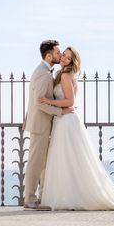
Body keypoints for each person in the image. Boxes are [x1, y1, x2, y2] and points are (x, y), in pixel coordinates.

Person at [39, 47, 114, 211]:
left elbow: (70, 101)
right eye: (63, 55)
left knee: (70, 159)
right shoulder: (60, 75)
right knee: (66, 160)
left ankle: (70, 197)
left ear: (72, 62)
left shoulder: (66, 75)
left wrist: (49, 102)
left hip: (67, 121)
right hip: (63, 120)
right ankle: (69, 194)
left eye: (68, 58)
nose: (63, 59)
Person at [22, 40, 74, 210]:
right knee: (36, 163)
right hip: (41, 124)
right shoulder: (43, 74)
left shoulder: (45, 71)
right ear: (49, 55)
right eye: (58, 53)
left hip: (45, 124)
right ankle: (30, 199)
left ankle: (41, 197)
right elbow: (41, 104)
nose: (60, 56)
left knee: (43, 163)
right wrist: (61, 112)